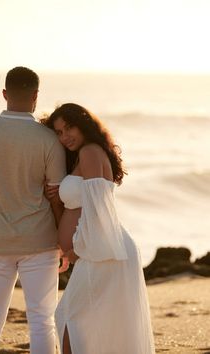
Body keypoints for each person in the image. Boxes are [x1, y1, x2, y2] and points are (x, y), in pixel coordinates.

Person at [43, 103, 156, 354]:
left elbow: (98, 211)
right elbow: (80, 209)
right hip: (100, 249)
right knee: (89, 324)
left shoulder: (90, 152)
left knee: (70, 316)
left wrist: (76, 251)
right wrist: (55, 199)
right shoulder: (84, 154)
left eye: (69, 128)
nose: (64, 137)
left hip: (103, 251)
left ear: (84, 124)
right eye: (59, 132)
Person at [0, 67, 66, 354]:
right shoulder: (48, 139)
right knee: (41, 320)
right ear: (36, 96)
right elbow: (57, 197)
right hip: (41, 241)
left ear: (4, 94)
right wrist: (63, 242)